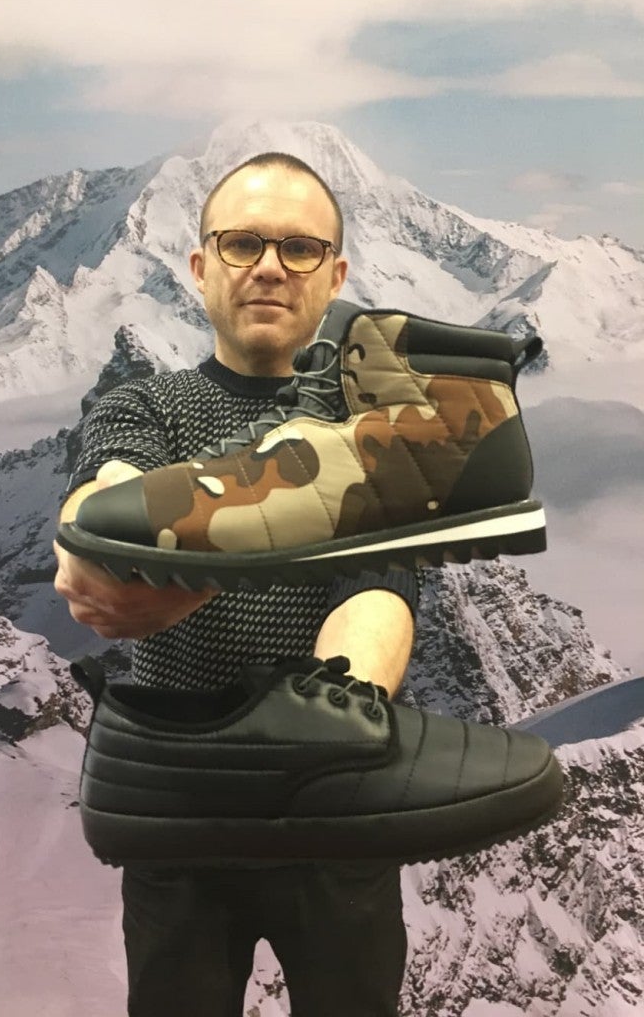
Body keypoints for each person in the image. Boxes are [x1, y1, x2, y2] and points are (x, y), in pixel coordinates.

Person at [54, 153, 419, 1017]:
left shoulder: (376, 424)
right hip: (178, 820)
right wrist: (110, 546)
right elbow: (104, 516)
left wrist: (332, 716)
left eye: (298, 248)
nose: (267, 265)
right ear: (199, 266)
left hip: (336, 814)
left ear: (335, 276)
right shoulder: (144, 405)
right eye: (243, 241)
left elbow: (380, 590)